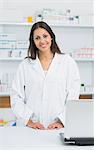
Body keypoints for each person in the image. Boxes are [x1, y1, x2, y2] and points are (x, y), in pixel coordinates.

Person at [10, 21, 80, 130]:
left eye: (45, 36)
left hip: (58, 127)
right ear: (33, 41)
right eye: (37, 38)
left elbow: (73, 96)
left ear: (51, 37)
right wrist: (29, 121)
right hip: (32, 128)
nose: (42, 41)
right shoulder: (25, 65)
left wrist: (62, 121)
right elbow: (16, 97)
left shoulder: (67, 62)